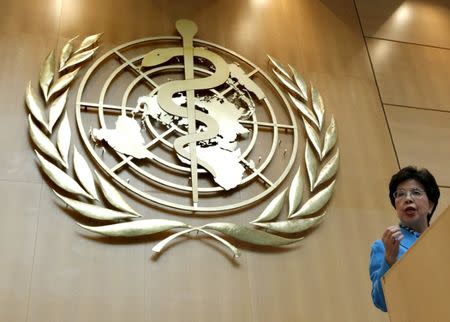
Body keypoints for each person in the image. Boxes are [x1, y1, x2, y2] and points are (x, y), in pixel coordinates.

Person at [369, 166, 440, 312]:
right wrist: (389, 260)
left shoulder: (443, 241)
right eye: (400, 194)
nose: (407, 199)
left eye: (416, 192)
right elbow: (382, 302)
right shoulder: (384, 246)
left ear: (431, 206)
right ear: (396, 206)